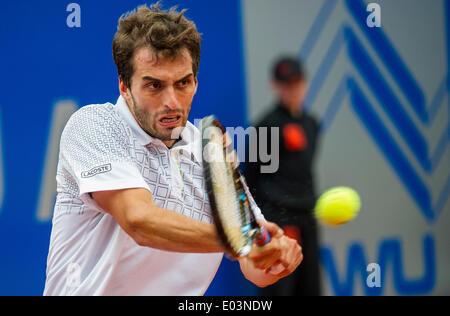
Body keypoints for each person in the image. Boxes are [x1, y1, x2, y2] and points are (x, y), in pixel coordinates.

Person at [43, 3, 302, 296]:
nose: (172, 101)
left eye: (183, 83)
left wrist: (274, 257)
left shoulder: (209, 152)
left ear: (195, 81)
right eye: (154, 85)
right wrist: (238, 240)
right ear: (124, 86)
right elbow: (139, 220)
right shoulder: (95, 125)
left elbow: (254, 269)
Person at [245, 56, 321, 296]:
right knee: (279, 291)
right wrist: (274, 221)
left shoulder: (312, 124)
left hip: (308, 220)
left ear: (306, 83)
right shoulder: (265, 127)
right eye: (286, 84)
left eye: (297, 83)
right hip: (279, 224)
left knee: (310, 289)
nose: (293, 89)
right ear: (275, 86)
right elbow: (252, 180)